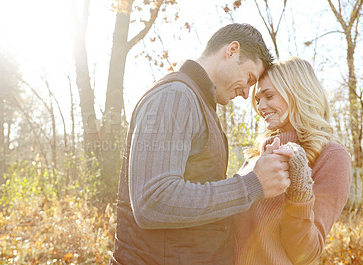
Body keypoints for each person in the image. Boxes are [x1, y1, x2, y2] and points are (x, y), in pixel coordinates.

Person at [111, 23, 293, 265]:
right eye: (249, 78)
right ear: (232, 51)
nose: (246, 93)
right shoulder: (175, 96)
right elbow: (152, 200)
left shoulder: (198, 102)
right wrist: (251, 185)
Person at [232, 56, 351, 264]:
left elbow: (305, 251)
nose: (261, 107)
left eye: (269, 96)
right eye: (258, 100)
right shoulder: (258, 153)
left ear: (297, 92)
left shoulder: (331, 156)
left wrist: (300, 192)